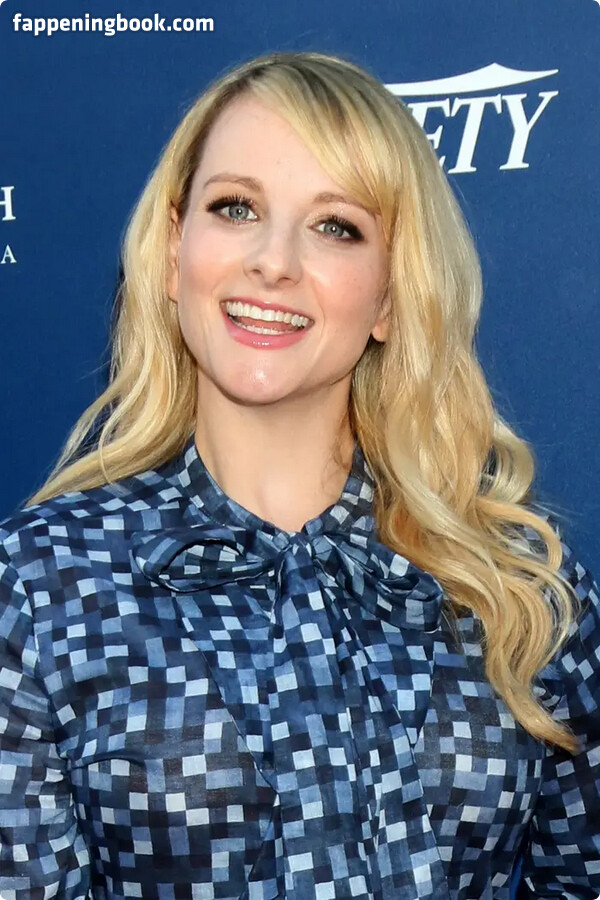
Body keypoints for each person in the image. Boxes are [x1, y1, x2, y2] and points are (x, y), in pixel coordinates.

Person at [0, 51, 598, 900]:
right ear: (172, 253)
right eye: (236, 207)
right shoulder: (39, 590)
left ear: (390, 296)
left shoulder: (518, 591)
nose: (273, 261)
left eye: (335, 226)